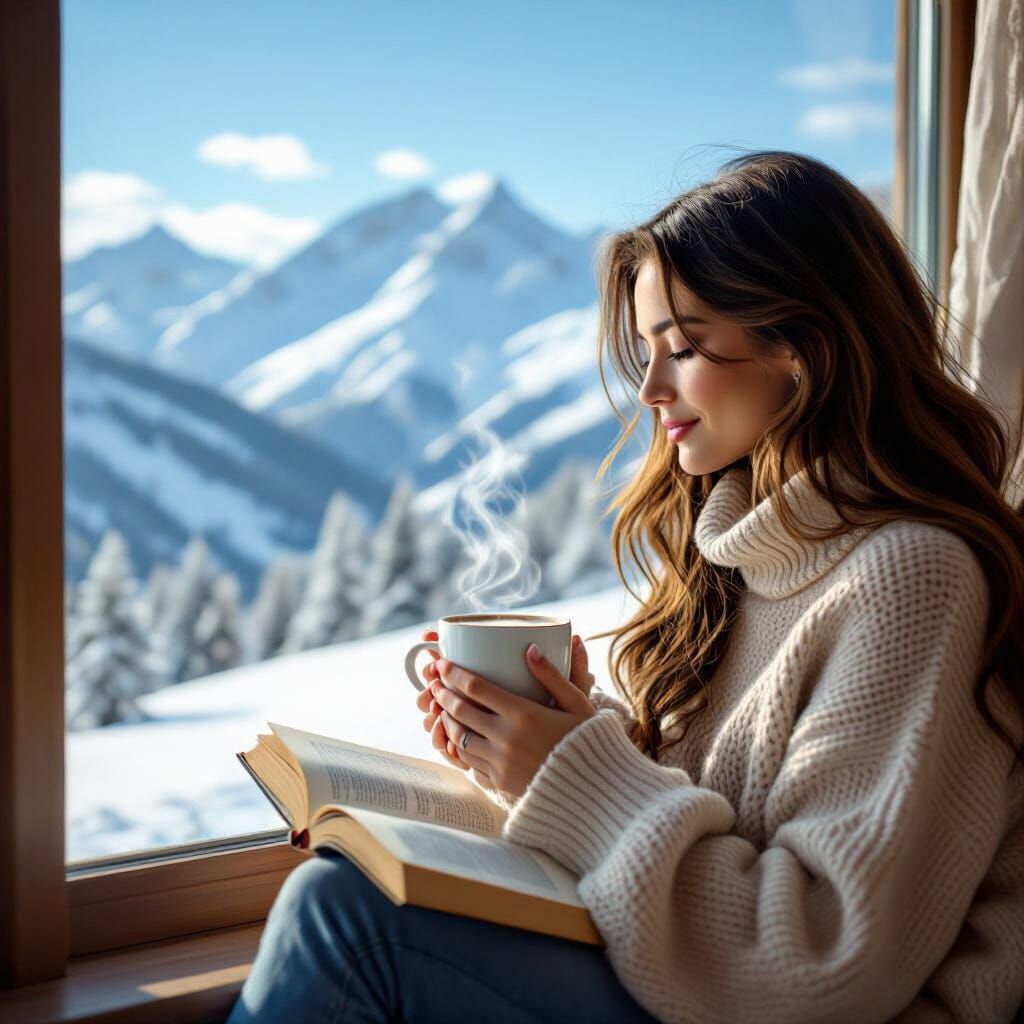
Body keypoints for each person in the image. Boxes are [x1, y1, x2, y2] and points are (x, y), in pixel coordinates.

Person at [227, 150, 1024, 1023]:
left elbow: (819, 960)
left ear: (804, 350)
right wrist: (563, 737)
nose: (649, 390)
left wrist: (578, 773)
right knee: (338, 893)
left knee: (350, 922)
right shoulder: (746, 558)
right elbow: (724, 823)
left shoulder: (911, 576)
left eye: (682, 348)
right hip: (702, 993)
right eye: (647, 350)